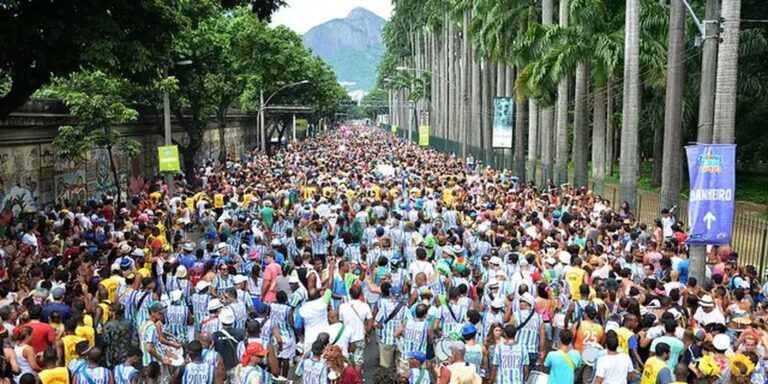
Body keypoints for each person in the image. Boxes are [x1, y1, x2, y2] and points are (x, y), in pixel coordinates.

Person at [338, 284, 372, 374]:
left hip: (346, 337)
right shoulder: (365, 306)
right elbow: (370, 322)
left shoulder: (343, 306)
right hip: (359, 336)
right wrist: (367, 332)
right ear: (360, 294)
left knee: (345, 357)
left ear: (350, 294)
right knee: (358, 359)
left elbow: (340, 322)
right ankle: (356, 379)